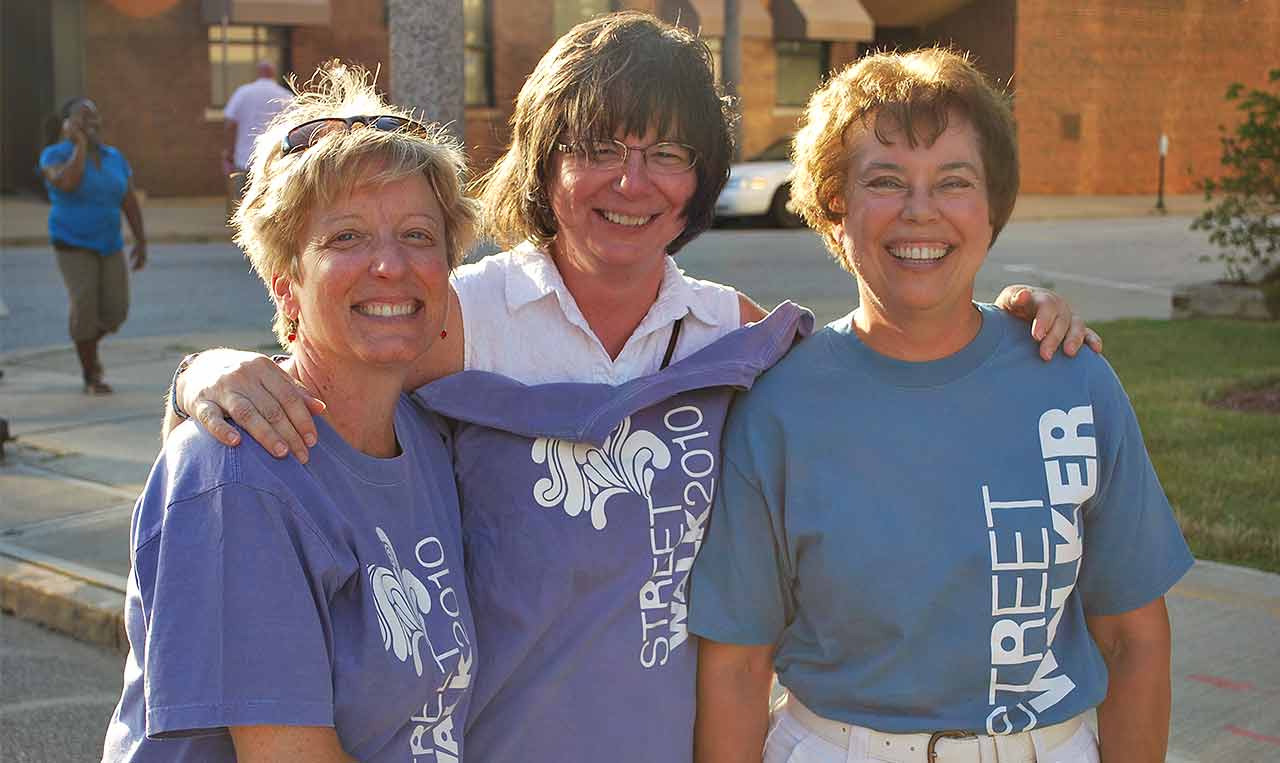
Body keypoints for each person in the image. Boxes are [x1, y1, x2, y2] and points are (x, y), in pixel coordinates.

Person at [167, 14, 1100, 762]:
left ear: (699, 179)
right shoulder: (464, 317)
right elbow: (324, 362)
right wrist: (202, 374)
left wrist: (1017, 322)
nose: (631, 180)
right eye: (598, 146)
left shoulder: (734, 333)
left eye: (667, 153)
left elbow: (888, 360)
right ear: (544, 162)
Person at [688, 48, 1194, 763]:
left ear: (992, 211)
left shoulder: (1072, 383)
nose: (920, 210)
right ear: (836, 210)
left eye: (953, 181)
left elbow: (1134, 639)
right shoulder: (779, 403)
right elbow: (738, 666)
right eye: (885, 181)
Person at [102, 64, 477, 762]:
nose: (391, 265)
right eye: (346, 238)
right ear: (286, 287)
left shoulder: (428, 439)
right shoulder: (239, 472)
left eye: (419, 235)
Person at [40, 97, 147, 395]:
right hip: (71, 243)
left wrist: (141, 239)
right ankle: (91, 373)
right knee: (84, 307)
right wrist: (79, 146)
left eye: (94, 117)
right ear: (67, 125)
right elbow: (67, 183)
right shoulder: (54, 155)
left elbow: (128, 200)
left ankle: (84, 341)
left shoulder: (114, 157)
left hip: (109, 243)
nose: (91, 124)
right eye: (82, 118)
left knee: (116, 311)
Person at [222, 60, 294, 214]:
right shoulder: (286, 96)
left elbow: (230, 124)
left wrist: (229, 151)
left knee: (244, 203)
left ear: (258, 73)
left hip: (244, 159)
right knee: (270, 204)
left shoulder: (242, 93)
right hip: (275, 161)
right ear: (273, 74)